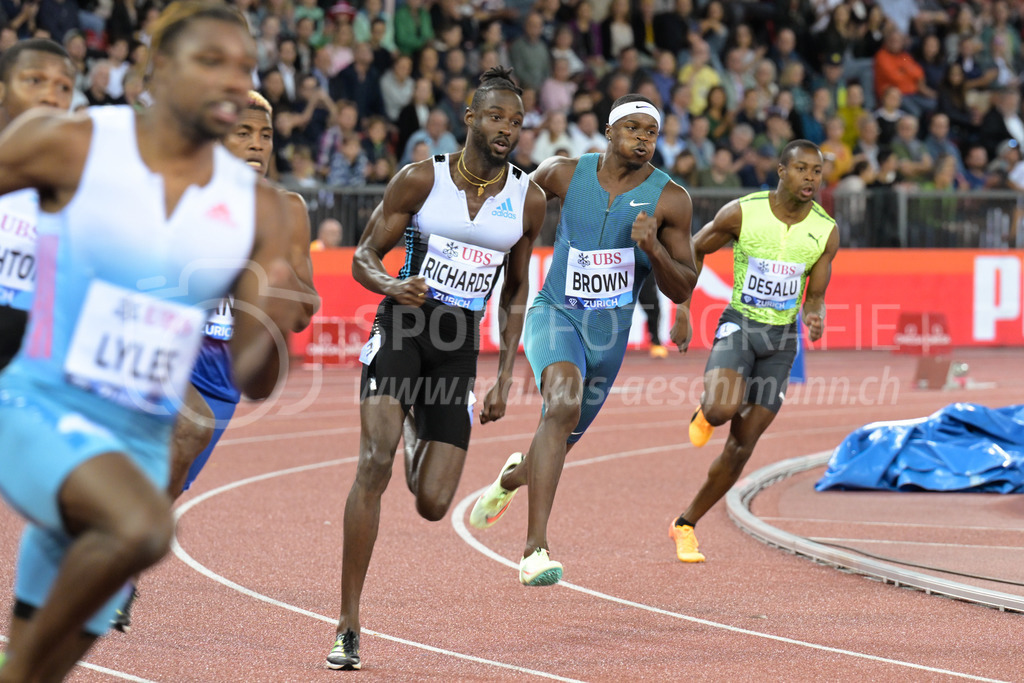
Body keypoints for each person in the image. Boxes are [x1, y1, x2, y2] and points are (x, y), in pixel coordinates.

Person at [0, 4, 304, 678]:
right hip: (44, 403)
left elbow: (256, 379)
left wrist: (271, 318)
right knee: (144, 529)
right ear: (158, 69)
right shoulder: (77, 141)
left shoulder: (262, 209)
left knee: (51, 659)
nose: (232, 81)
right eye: (211, 62)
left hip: (139, 439)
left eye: (245, 68)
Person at [326, 66, 547, 671]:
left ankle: (414, 426)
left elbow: (516, 292)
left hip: (457, 349)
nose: (507, 129)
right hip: (403, 327)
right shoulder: (423, 179)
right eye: (496, 116)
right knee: (372, 463)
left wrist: (504, 376)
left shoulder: (528, 198)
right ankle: (348, 622)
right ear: (471, 118)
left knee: (431, 502)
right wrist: (394, 285)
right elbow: (363, 256)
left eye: (516, 122)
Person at [470, 95, 697, 586]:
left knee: (559, 436)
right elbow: (512, 214)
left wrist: (653, 247)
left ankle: (512, 477)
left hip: (609, 337)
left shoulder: (671, 198)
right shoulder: (562, 173)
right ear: (610, 133)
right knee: (563, 403)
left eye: (651, 133)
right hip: (556, 313)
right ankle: (535, 551)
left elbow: (683, 284)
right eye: (633, 129)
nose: (642, 139)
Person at [667, 139, 839, 563]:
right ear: (781, 171)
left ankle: (685, 525)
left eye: (816, 172)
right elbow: (695, 248)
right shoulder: (743, 212)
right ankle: (707, 412)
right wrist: (684, 309)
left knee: (742, 446)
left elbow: (814, 294)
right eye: (801, 169)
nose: (810, 179)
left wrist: (815, 314)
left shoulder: (825, 230)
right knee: (724, 410)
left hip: (782, 341)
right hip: (741, 325)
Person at [0, 39, 75, 371]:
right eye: (35, 80)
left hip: (29, 365)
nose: (51, 97)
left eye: (64, 87)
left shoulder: (79, 189)